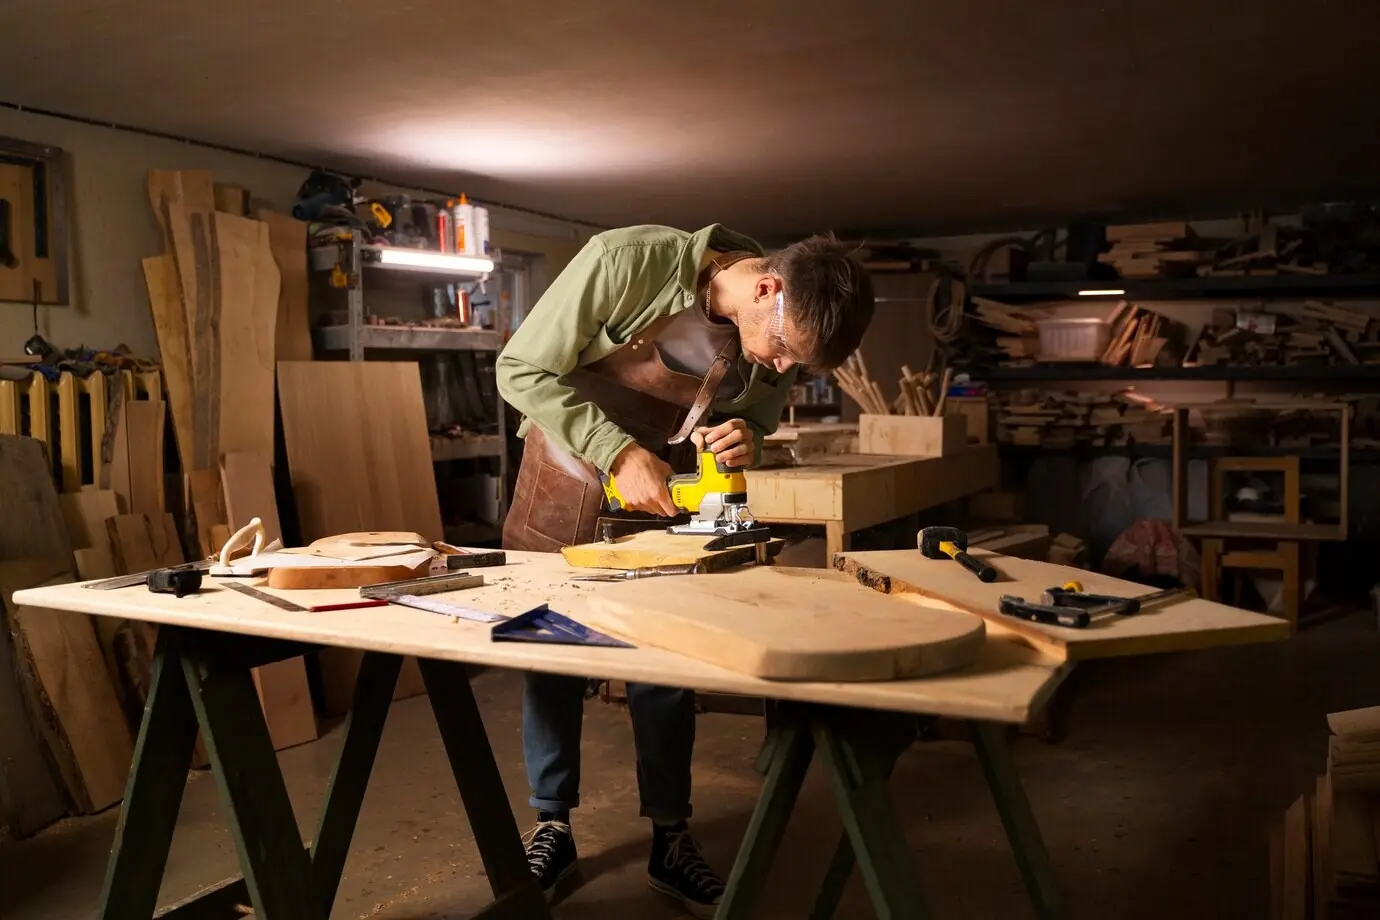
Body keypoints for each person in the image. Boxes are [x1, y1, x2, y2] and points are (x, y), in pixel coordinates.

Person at [495, 223, 875, 916]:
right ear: (767, 289)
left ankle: (670, 835)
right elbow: (518, 369)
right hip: (566, 471)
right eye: (785, 350)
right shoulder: (626, 263)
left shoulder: (772, 330)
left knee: (664, 657)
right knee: (548, 647)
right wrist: (615, 451)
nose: (783, 370)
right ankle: (551, 823)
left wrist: (747, 437)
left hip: (664, 492)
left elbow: (758, 416)